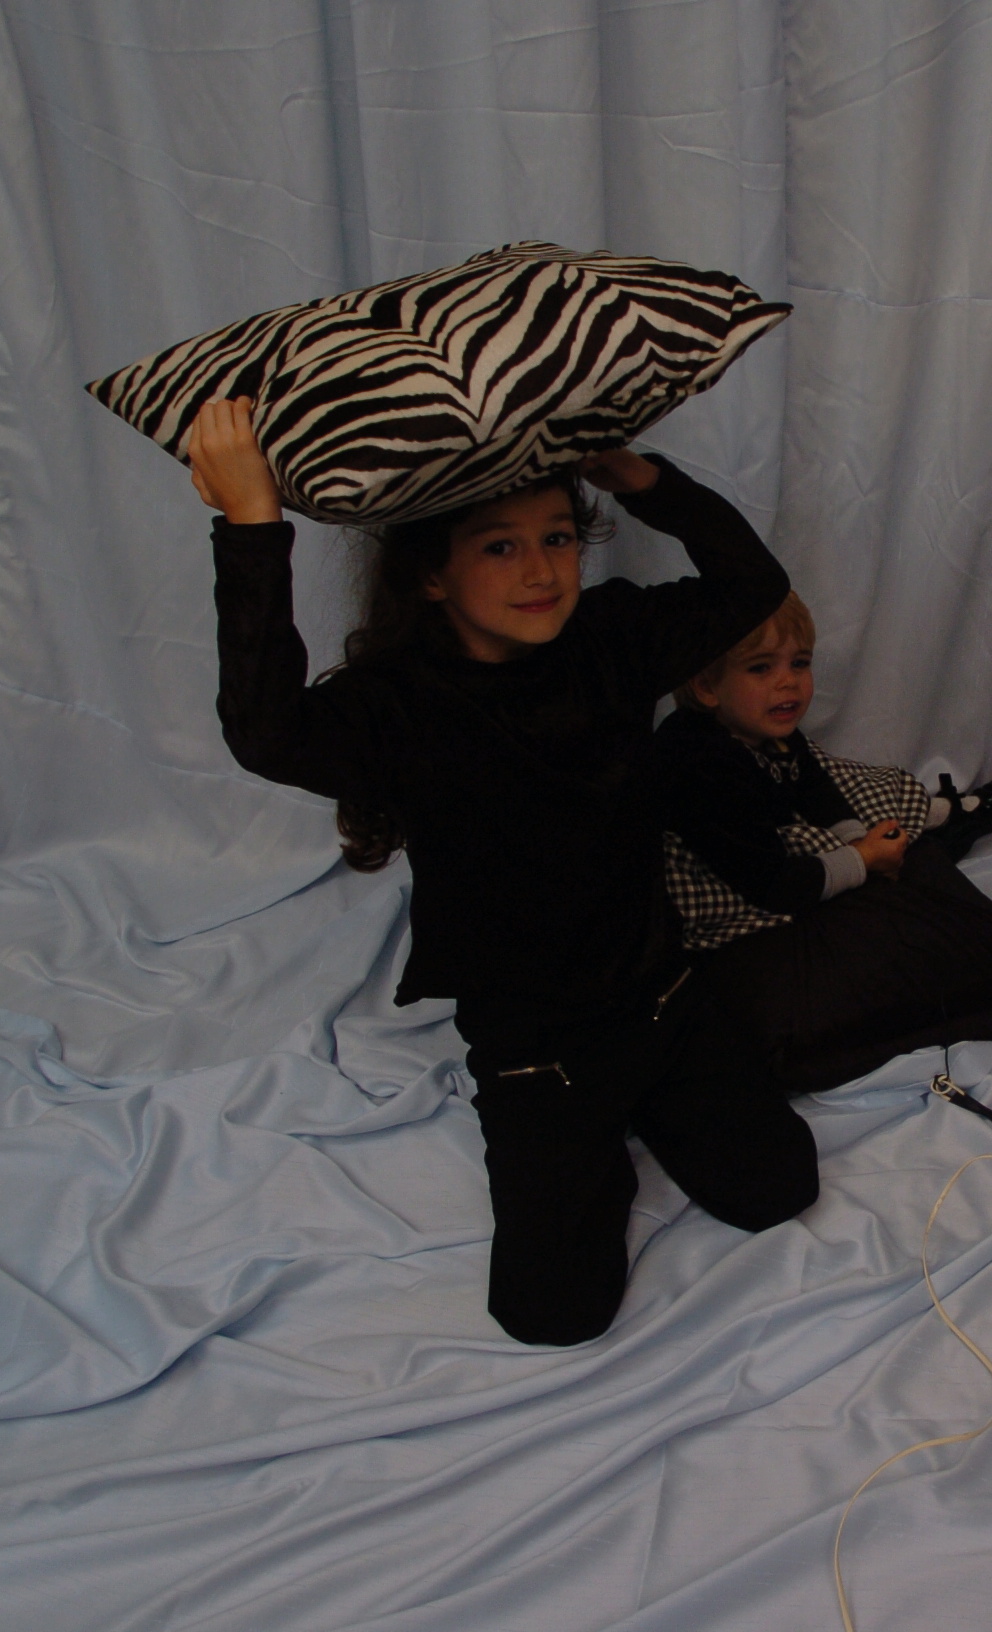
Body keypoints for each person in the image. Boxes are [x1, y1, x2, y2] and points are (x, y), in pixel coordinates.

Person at [187, 396, 818, 1346]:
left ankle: (649, 1107)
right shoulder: (399, 704)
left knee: (780, 1191)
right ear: (431, 576)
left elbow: (751, 583)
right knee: (552, 1315)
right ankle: (591, 1144)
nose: (540, 571)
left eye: (558, 538)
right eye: (499, 547)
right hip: (540, 1048)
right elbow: (265, 731)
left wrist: (633, 472)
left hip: (664, 1001)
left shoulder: (612, 639)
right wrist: (251, 522)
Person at [652, 593, 992, 1093]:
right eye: (761, 668)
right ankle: (933, 826)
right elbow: (773, 885)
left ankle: (944, 815)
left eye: (800, 663)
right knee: (833, 848)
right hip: (736, 887)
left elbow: (815, 784)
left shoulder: (762, 729)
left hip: (762, 832)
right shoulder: (702, 765)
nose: (788, 682)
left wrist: (862, 840)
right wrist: (861, 859)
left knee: (856, 783)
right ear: (707, 686)